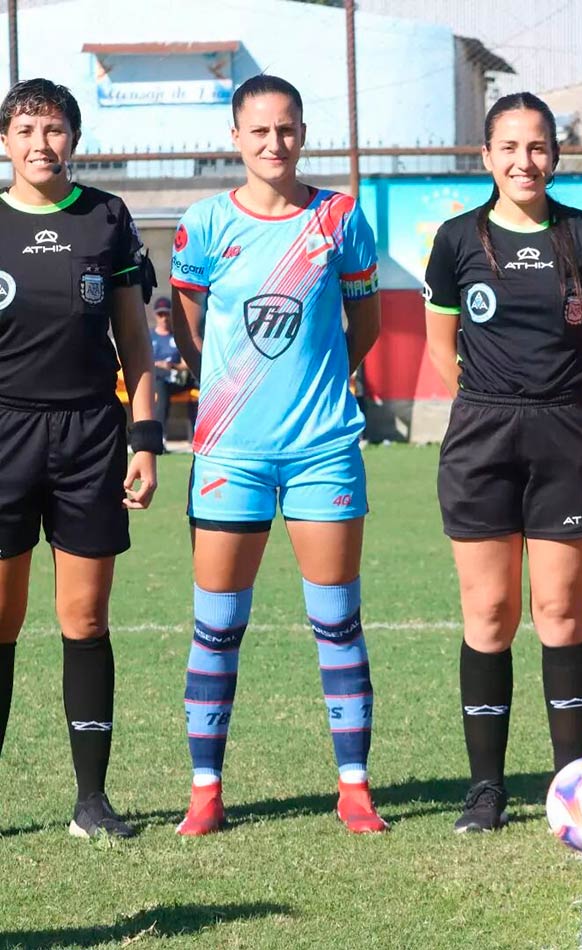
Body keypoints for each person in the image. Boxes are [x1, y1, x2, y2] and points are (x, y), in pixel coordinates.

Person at [169, 74, 385, 836]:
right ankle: (206, 791)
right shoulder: (202, 224)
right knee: (216, 625)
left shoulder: (340, 219)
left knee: (337, 620)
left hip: (323, 447)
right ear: (236, 137)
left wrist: (319, 388)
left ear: (303, 132)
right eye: (259, 131)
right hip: (232, 449)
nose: (274, 143)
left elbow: (365, 327)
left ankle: (354, 787)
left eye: (287, 129)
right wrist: (238, 392)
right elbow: (193, 327)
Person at [424, 92, 582, 832]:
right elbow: (439, 347)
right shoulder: (455, 240)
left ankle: (571, 780)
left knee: (561, 612)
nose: (524, 161)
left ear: (556, 154)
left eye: (538, 147)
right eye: (509, 148)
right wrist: (491, 405)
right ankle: (487, 788)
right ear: (486, 157)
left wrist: (561, 405)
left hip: (564, 434)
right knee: (488, 613)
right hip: (481, 434)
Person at [0, 79, 159, 838]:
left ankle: (91, 803)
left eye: (55, 129)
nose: (41, 143)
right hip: (3, 436)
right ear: (4, 141)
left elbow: (136, 343)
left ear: (74, 139)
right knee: (0, 620)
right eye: (26, 128)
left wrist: (145, 438)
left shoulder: (107, 217)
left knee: (84, 617)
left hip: (91, 435)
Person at [149, 295, 195, 438]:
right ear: (155, 315)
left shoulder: (178, 336)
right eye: (160, 314)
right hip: (158, 379)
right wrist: (159, 365)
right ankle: (160, 437)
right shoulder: (148, 336)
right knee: (160, 384)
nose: (164, 318)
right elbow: (141, 362)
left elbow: (185, 364)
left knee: (200, 380)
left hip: (178, 379)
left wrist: (172, 366)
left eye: (166, 314)